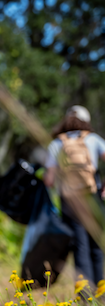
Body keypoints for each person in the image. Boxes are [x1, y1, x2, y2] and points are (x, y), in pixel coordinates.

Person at [44, 105, 105, 288]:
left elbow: (49, 180)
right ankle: (101, 293)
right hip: (92, 197)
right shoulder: (93, 139)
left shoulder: (56, 143)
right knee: (96, 245)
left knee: (80, 247)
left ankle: (85, 297)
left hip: (70, 201)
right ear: (86, 121)